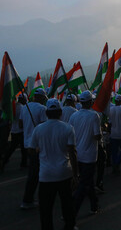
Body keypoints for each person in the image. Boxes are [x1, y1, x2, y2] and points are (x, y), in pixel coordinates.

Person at [31, 99, 78, 230]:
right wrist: (76, 174)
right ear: (60, 112)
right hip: (64, 173)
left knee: (46, 208)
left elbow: (31, 149)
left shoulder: (38, 129)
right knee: (67, 204)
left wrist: (38, 149)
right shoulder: (68, 128)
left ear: (46, 113)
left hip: (46, 175)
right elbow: (72, 152)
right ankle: (70, 226)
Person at [69, 90, 101, 216]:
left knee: (88, 181)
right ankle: (70, 211)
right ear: (91, 102)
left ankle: (94, 205)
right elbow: (97, 136)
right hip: (89, 156)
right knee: (83, 184)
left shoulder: (74, 116)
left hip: (77, 154)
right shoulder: (94, 116)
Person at [19, 88, 47, 209]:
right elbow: (45, 128)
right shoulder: (42, 109)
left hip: (27, 143)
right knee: (36, 174)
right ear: (41, 97)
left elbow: (20, 125)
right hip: (37, 146)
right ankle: (28, 200)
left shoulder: (25, 107)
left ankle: (30, 198)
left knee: (34, 172)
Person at [3, 94, 27, 168]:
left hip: (13, 131)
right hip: (20, 131)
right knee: (24, 149)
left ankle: (3, 161)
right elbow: (22, 121)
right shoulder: (22, 108)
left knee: (11, 149)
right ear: (23, 100)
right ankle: (23, 164)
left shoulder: (13, 107)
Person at [109, 94, 121, 174]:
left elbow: (109, 122)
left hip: (113, 134)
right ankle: (117, 163)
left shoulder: (110, 109)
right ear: (120, 101)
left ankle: (115, 164)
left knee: (114, 151)